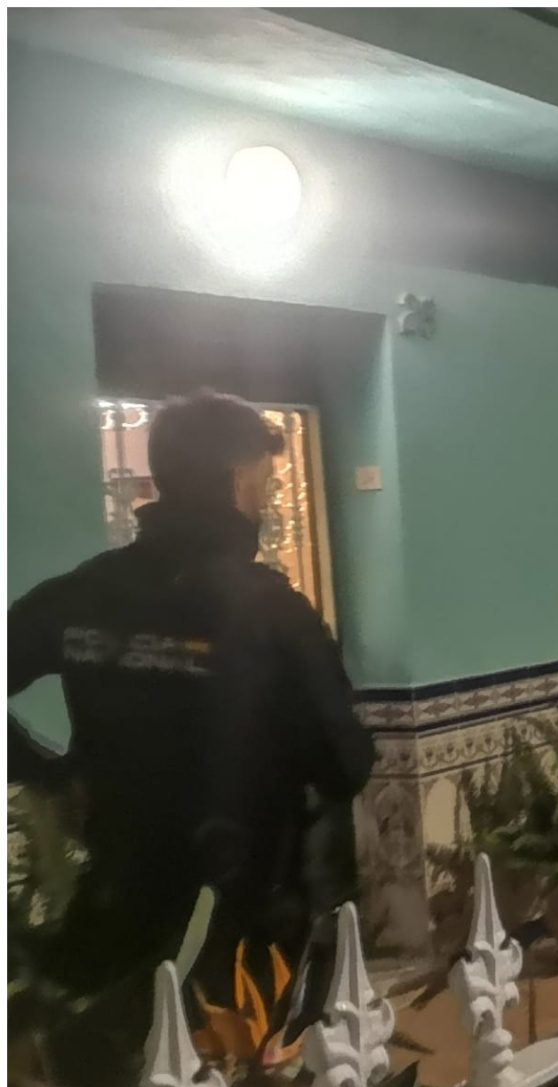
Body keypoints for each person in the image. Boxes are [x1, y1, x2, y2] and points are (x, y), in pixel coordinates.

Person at [8, 389, 374, 1052]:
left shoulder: (85, 591)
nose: (265, 500)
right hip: (245, 920)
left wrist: (50, 779)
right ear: (236, 482)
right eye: (265, 482)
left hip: (117, 902)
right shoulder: (271, 614)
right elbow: (345, 765)